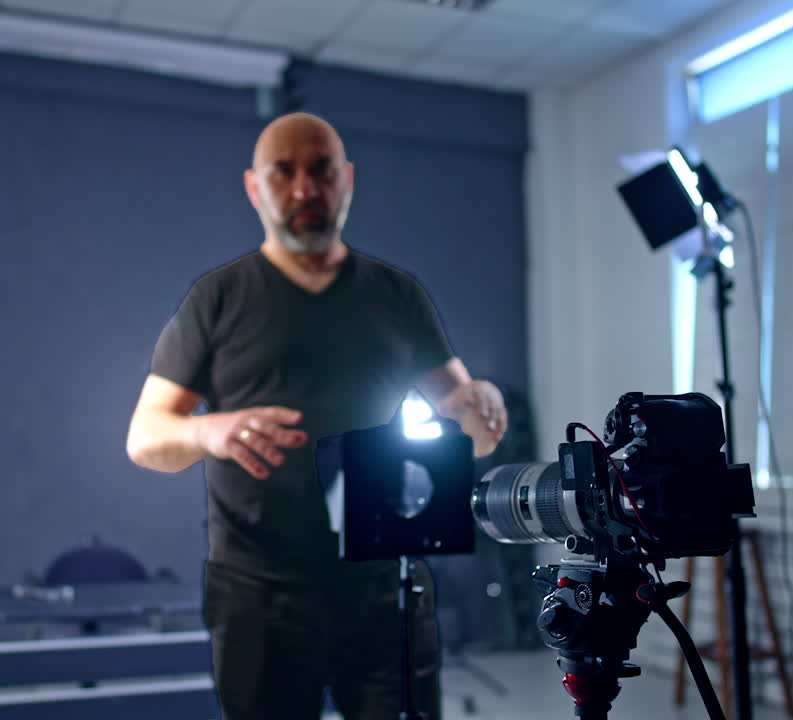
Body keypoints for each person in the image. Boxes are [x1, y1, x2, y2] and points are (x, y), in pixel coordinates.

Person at [126, 112, 508, 720]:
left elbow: (474, 434)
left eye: (321, 170)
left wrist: (482, 403)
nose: (305, 188)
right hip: (258, 595)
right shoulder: (217, 298)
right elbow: (145, 438)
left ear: (347, 180)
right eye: (285, 172)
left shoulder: (396, 294)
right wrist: (208, 430)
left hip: (384, 586)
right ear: (255, 188)